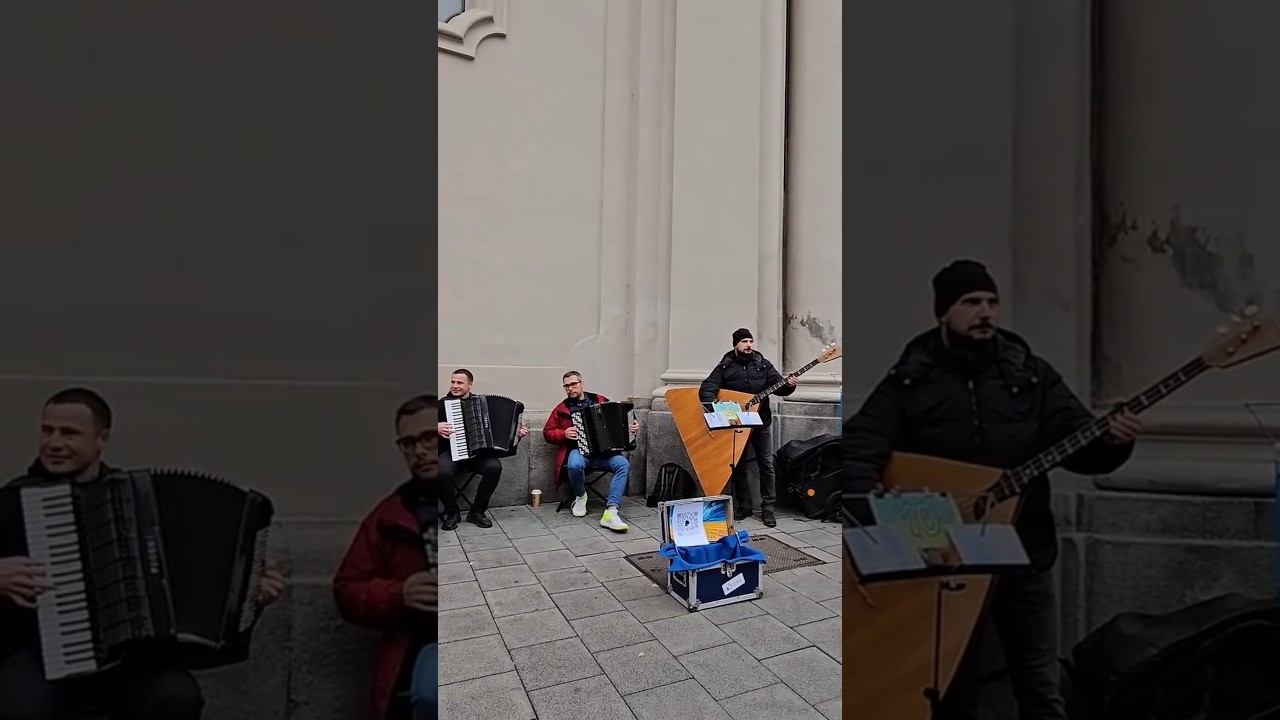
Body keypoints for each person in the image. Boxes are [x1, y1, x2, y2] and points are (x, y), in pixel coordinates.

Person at [842, 259, 1142, 720]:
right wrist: (871, 512)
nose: (985, 311)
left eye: (991, 302)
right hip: (949, 559)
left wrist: (1114, 443)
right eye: (971, 302)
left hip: (1025, 549)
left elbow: (1079, 443)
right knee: (952, 684)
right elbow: (863, 440)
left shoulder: (1029, 373)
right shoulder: (912, 376)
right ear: (944, 311)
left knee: (1040, 683)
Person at [0, 387, 287, 720]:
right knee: (20, 708)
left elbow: (204, 592)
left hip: (128, 660)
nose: (54, 443)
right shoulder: (12, 501)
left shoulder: (133, 500)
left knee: (177, 698)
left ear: (101, 439)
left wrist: (250, 597)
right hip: (38, 653)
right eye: (47, 430)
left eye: (70, 433)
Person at [333, 394, 440, 720]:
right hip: (421, 642)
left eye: (428, 438)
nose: (419, 451)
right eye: (408, 443)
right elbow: (346, 589)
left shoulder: (472, 495)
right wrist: (399, 594)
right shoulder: (390, 514)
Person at [698, 328, 799, 528]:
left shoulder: (762, 364)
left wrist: (790, 385)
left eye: (751, 341)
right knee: (739, 465)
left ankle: (768, 507)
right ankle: (744, 505)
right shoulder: (725, 366)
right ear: (735, 344)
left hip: (761, 421)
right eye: (744, 341)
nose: (749, 345)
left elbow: (779, 387)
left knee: (766, 464)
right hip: (738, 423)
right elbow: (707, 388)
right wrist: (717, 410)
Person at [542, 371, 640, 532]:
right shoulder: (562, 408)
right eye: (566, 386)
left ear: (582, 384)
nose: (570, 388)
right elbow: (547, 432)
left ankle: (612, 511)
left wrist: (634, 427)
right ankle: (581, 496)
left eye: (573, 384)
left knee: (623, 464)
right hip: (579, 451)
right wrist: (563, 433)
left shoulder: (600, 401)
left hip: (605, 453)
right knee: (573, 465)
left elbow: (623, 420)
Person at [437, 368, 527, 530]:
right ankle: (452, 513)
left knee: (494, 467)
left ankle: (477, 511)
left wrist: (517, 433)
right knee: (439, 472)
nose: (455, 386)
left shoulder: (480, 403)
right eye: (453, 382)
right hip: (451, 454)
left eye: (459, 382)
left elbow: (504, 433)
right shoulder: (442, 405)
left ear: (470, 385)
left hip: (478, 455)